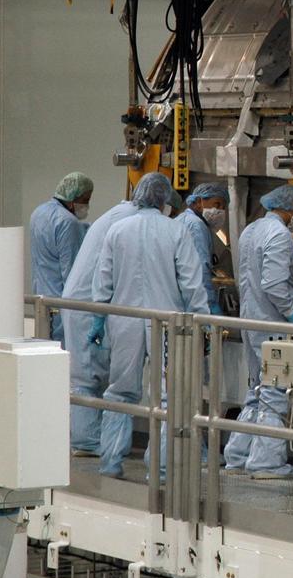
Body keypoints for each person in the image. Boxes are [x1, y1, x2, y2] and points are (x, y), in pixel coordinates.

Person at [87, 173, 208, 479]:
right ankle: (161, 468)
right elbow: (191, 282)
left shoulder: (117, 229)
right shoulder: (176, 231)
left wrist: (98, 317)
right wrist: (203, 320)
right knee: (169, 396)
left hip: (123, 320)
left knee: (120, 392)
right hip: (167, 324)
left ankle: (111, 462)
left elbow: (104, 278)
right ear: (165, 199)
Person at [224, 185, 293, 480]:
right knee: (274, 391)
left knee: (256, 389)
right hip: (272, 324)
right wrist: (292, 314)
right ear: (289, 209)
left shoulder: (251, 230)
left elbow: (255, 272)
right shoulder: (280, 234)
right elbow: (273, 284)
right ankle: (266, 463)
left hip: (250, 318)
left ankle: (237, 455)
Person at [63, 196, 141, 456]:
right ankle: (86, 441)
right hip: (89, 303)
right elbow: (115, 269)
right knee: (87, 374)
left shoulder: (117, 214)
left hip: (81, 299)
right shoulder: (130, 221)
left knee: (87, 372)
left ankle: (89, 439)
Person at [29, 172, 94, 343]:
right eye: (86, 200)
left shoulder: (39, 212)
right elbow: (72, 272)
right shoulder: (68, 222)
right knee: (63, 357)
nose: (87, 205)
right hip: (61, 306)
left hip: (41, 300)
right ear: (74, 198)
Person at [179, 182, 229, 314]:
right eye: (217, 204)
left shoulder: (182, 219)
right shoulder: (196, 225)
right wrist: (210, 304)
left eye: (223, 208)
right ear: (199, 201)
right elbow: (200, 268)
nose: (220, 211)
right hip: (193, 302)